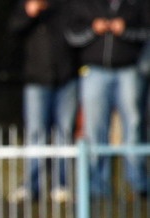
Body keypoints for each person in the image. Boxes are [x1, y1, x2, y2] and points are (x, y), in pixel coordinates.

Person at [65, 0, 150, 201]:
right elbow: (71, 34)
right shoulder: (87, 5)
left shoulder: (136, 4)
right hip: (94, 71)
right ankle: (97, 186)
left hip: (129, 70)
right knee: (95, 129)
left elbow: (146, 32)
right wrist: (93, 29)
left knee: (133, 126)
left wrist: (125, 30)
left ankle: (138, 184)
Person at [8, 0, 79, 204]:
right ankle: (32, 185)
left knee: (64, 132)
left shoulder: (67, 6)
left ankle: (62, 184)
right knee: (35, 133)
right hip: (36, 80)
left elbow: (77, 35)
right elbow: (13, 31)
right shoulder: (26, 6)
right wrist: (28, 14)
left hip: (67, 78)